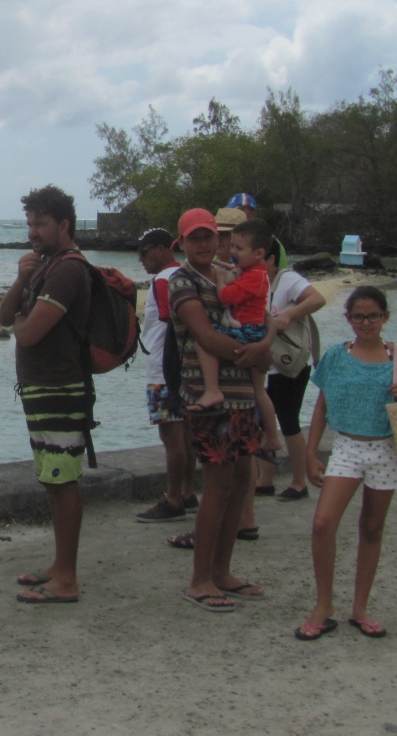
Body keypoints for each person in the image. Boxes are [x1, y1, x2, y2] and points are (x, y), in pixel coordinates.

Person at [295, 286, 397, 641]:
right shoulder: (336, 357)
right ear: (348, 319)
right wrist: (311, 455)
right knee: (323, 524)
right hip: (347, 448)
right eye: (359, 316)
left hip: (386, 450)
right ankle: (323, 605)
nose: (366, 322)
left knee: (372, 528)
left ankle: (360, 607)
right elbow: (322, 406)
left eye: (373, 315)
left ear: (385, 317)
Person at [167, 208, 274, 613]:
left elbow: (263, 315)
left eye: (209, 237)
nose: (205, 245)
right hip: (206, 393)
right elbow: (204, 335)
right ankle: (200, 579)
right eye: (195, 239)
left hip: (242, 393)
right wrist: (253, 353)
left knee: (241, 479)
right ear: (182, 243)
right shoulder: (182, 281)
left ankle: (223, 571)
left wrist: (264, 345)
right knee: (217, 484)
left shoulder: (228, 272)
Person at [0, 185, 90, 604]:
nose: (33, 231)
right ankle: (59, 565)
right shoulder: (43, 266)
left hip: (61, 388)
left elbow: (29, 331)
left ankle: (67, 579)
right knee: (51, 480)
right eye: (29, 223)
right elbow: (5, 316)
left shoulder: (68, 270)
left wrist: (20, 322)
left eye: (41, 223)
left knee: (62, 479)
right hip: (42, 388)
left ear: (64, 226)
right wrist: (21, 280)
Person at [190, 219, 283, 454]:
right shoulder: (254, 272)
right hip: (254, 329)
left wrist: (220, 281)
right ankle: (271, 436)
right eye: (232, 246)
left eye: (239, 249)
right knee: (259, 391)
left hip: (247, 331)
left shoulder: (254, 277)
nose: (232, 252)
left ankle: (212, 388)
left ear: (259, 253)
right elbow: (233, 270)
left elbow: (227, 297)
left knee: (204, 341)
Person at [134, 228, 198, 523]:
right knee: (184, 432)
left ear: (161, 249)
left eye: (144, 253)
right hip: (180, 367)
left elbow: (169, 319)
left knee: (170, 433)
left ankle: (173, 498)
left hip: (163, 367)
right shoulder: (183, 275)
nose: (142, 260)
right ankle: (187, 490)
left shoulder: (163, 279)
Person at [254, 238, 326, 502]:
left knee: (288, 420)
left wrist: (289, 314)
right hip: (266, 363)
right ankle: (265, 479)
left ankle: (299, 482)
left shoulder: (287, 280)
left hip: (290, 363)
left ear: (271, 258)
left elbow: (317, 299)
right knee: (262, 421)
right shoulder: (253, 281)